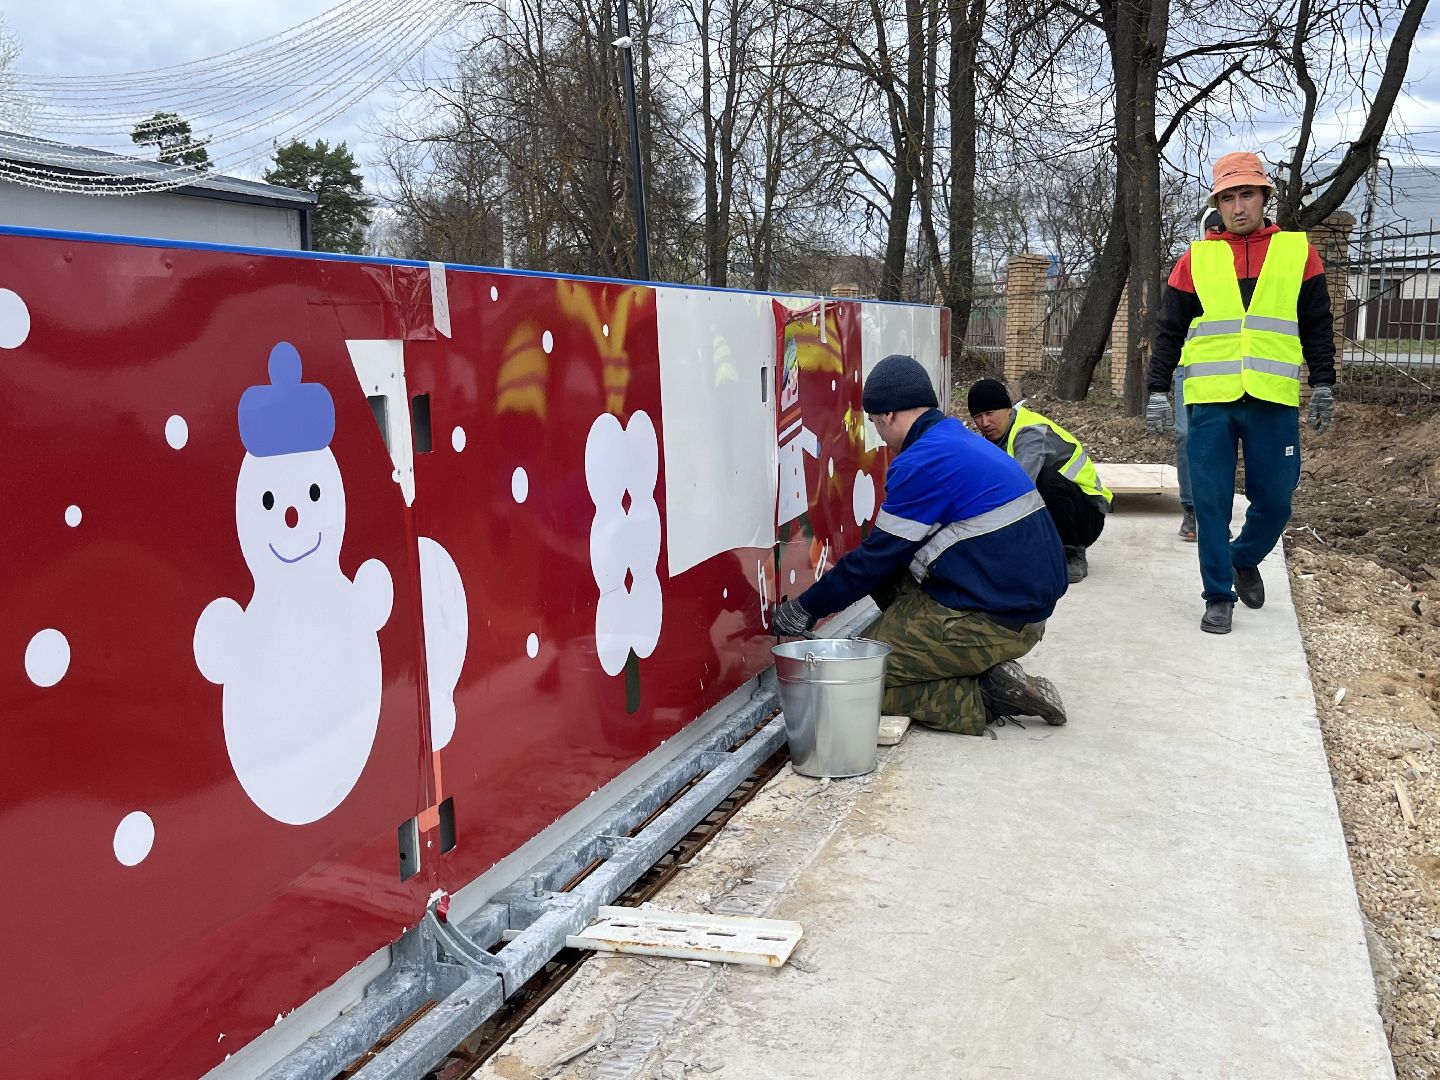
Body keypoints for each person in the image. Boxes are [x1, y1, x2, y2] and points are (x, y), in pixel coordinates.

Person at [771, 354, 1070, 735]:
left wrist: (806, 608)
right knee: (879, 569)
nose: (879, 435)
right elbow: (883, 559)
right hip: (1009, 600)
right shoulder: (952, 438)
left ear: (891, 415)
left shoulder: (923, 462)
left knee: (847, 688)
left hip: (996, 621)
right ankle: (959, 660)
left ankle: (983, 693)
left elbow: (875, 560)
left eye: (877, 423)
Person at [1146, 151, 1336, 634]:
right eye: (1227, 197)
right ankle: (1217, 595)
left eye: (1246, 193)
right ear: (1218, 204)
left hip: (1271, 399)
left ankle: (1243, 557)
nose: (1238, 206)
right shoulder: (1197, 258)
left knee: (1275, 500)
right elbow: (1169, 329)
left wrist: (1324, 383)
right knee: (1210, 503)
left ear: (1265, 197)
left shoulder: (1298, 252)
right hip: (1211, 398)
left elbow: (1316, 322)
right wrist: (1156, 389)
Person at [967, 378, 1112, 583]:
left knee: (1045, 479)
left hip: (1088, 516)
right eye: (977, 417)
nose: (984, 423)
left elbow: (1020, 489)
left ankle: (1072, 552)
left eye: (989, 414)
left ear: (1008, 409)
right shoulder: (996, 439)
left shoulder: (1031, 432)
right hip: (1064, 511)